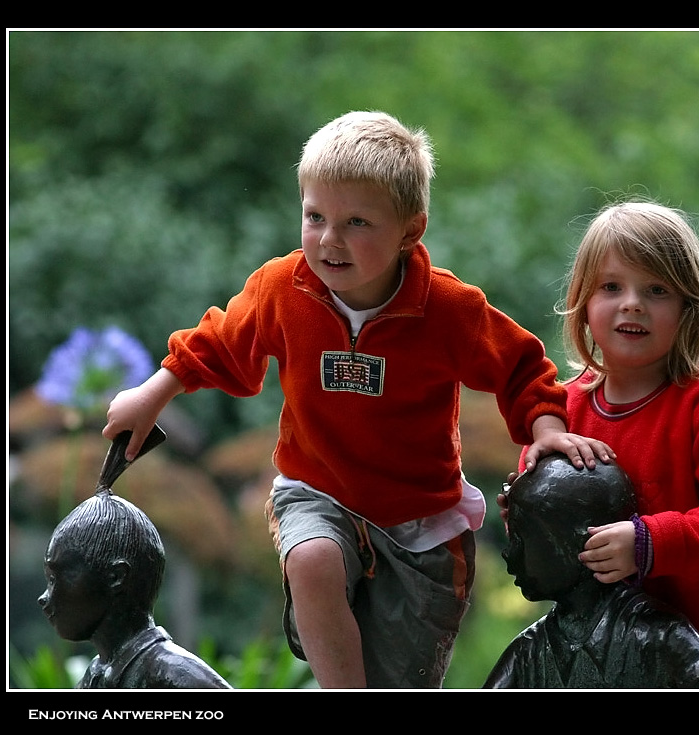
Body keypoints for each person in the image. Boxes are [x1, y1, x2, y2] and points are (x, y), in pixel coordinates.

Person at [102, 111, 611, 688]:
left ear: (410, 231)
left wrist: (544, 427)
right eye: (314, 216)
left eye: (356, 222)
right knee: (313, 559)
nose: (328, 239)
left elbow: (521, 366)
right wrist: (152, 394)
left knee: (403, 676)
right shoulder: (280, 289)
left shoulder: (448, 309)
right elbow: (216, 341)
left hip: (420, 517)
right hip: (317, 489)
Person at [506, 199, 699, 688]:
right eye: (611, 287)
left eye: (656, 290)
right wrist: (521, 506)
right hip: (620, 668)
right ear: (582, 304)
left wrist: (648, 542)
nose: (632, 303)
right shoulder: (562, 414)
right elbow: (554, 525)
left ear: (690, 308)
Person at [484, 453, 699, 689]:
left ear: (582, 542)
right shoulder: (529, 652)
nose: (509, 553)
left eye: (521, 538)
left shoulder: (658, 636)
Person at [38, 488, 232, 689]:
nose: (43, 597)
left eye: (55, 578)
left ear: (116, 577)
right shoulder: (93, 678)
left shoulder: (176, 676)